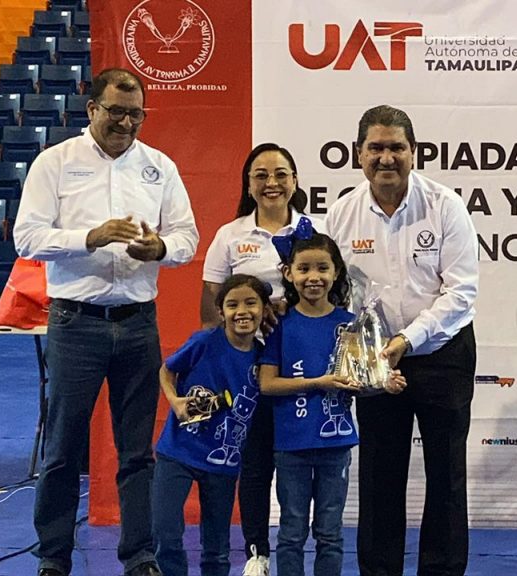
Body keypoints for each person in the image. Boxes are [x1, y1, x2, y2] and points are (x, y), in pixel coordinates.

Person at [13, 68, 198, 576]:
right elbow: (26, 237)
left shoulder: (159, 166)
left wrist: (160, 247)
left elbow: (187, 237)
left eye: (136, 114)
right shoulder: (55, 163)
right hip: (76, 323)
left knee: (137, 451)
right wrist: (88, 238)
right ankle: (53, 557)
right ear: (92, 109)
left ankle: (139, 554)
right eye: (116, 111)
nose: (126, 123)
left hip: (138, 322)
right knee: (62, 448)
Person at [324, 104, 479, 576]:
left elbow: (461, 292)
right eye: (376, 148)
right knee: (379, 473)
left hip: (443, 353)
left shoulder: (445, 206)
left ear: (414, 152)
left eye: (396, 148)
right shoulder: (342, 214)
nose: (386, 158)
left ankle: (442, 570)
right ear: (358, 153)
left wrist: (407, 340)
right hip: (374, 359)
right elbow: (334, 292)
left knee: (446, 473)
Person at [258, 223, 406, 576]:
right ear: (289, 273)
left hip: (335, 445)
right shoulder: (279, 324)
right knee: (291, 532)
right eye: (304, 268)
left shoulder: (352, 325)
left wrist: (384, 383)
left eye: (322, 268)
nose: (314, 277)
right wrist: (317, 383)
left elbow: (361, 382)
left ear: (336, 272)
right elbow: (266, 383)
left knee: (330, 533)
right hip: (291, 445)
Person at [200, 142, 311, 576]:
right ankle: (256, 553)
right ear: (248, 184)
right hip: (249, 368)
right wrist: (247, 323)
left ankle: (295, 549)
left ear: (295, 181)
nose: (271, 183)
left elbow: (335, 295)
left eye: (281, 173)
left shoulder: (316, 232)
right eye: (261, 175)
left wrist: (291, 309)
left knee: (299, 464)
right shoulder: (230, 236)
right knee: (255, 463)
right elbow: (210, 312)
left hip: (303, 366)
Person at [152, 274, 270, 576]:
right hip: (178, 452)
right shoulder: (204, 342)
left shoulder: (264, 359)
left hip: (223, 464)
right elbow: (167, 370)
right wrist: (175, 402)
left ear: (264, 309)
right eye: (232, 305)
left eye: (251, 303)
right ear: (220, 311)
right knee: (165, 532)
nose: (242, 311)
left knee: (217, 548)